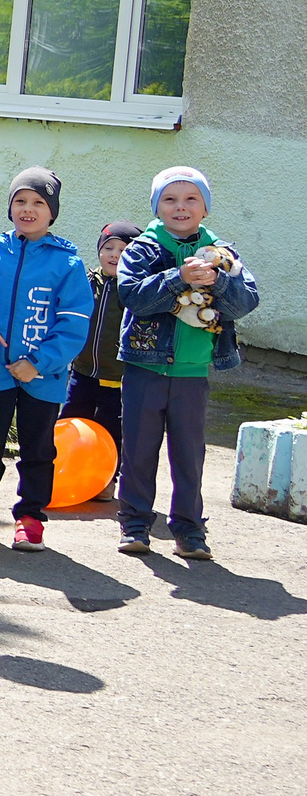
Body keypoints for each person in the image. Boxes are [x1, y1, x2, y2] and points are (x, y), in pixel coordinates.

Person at [116, 167, 259, 561]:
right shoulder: (142, 250)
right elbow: (133, 296)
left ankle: (190, 530)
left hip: (192, 372)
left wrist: (218, 281)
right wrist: (178, 277)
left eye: (191, 199)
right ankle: (135, 524)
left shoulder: (223, 255)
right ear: (157, 207)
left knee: (189, 456)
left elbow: (246, 301)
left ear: (205, 208)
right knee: (139, 451)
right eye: (170, 199)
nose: (181, 207)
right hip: (145, 368)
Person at [0, 168, 93, 552]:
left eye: (38, 202)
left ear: (52, 213)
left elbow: (73, 324)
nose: (27, 209)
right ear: (10, 207)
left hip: (43, 376)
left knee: (38, 449)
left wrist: (39, 362)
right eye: (20, 201)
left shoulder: (68, 265)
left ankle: (30, 518)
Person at [65, 220, 141, 453]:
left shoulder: (134, 290)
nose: (114, 255)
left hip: (116, 378)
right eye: (108, 248)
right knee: (71, 423)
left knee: (111, 429)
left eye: (123, 250)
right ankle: (67, 465)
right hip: (82, 372)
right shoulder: (87, 282)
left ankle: (110, 471)